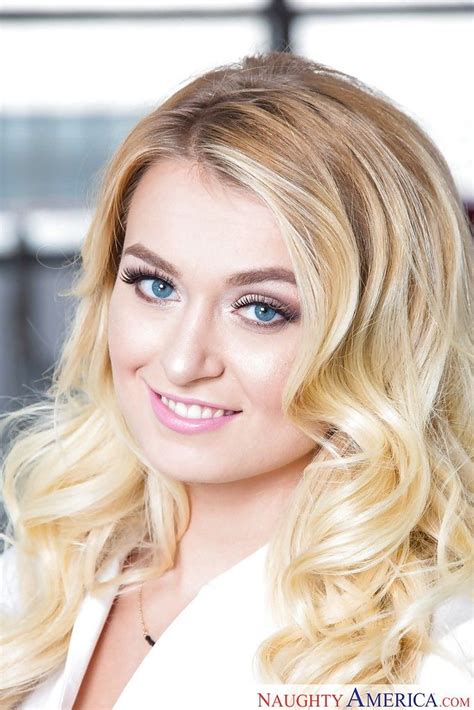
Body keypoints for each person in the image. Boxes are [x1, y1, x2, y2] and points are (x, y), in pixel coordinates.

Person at [0, 52, 472, 710]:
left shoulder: (435, 658)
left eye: (261, 309)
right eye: (155, 285)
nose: (184, 360)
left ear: (384, 336)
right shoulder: (39, 577)